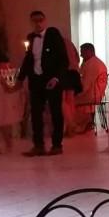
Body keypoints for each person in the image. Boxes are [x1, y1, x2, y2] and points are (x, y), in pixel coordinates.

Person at [16, 9, 70, 156]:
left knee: (55, 112)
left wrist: (56, 78)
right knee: (35, 114)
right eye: (34, 21)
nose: (38, 23)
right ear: (31, 22)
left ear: (45, 21)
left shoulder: (53, 34)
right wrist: (20, 78)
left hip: (52, 80)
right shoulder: (31, 37)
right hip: (36, 80)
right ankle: (38, 145)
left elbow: (63, 60)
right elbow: (28, 60)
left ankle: (57, 145)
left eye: (40, 20)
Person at [70, 42, 108, 134]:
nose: (81, 55)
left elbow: (85, 85)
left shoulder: (92, 64)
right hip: (94, 92)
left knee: (69, 101)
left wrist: (75, 93)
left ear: (89, 51)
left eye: (82, 52)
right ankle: (86, 123)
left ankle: (80, 125)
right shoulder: (90, 62)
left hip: (92, 94)